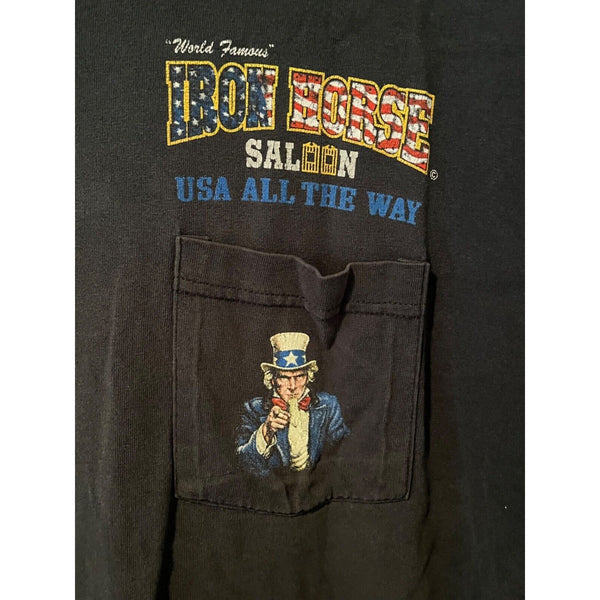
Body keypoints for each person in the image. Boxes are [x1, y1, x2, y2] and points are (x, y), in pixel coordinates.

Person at [236, 332, 349, 476]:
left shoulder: (329, 405)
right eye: (284, 377)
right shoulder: (253, 409)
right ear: (273, 380)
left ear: (308, 377)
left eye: (299, 376)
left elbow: (344, 452)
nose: (292, 386)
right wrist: (267, 431)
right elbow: (242, 463)